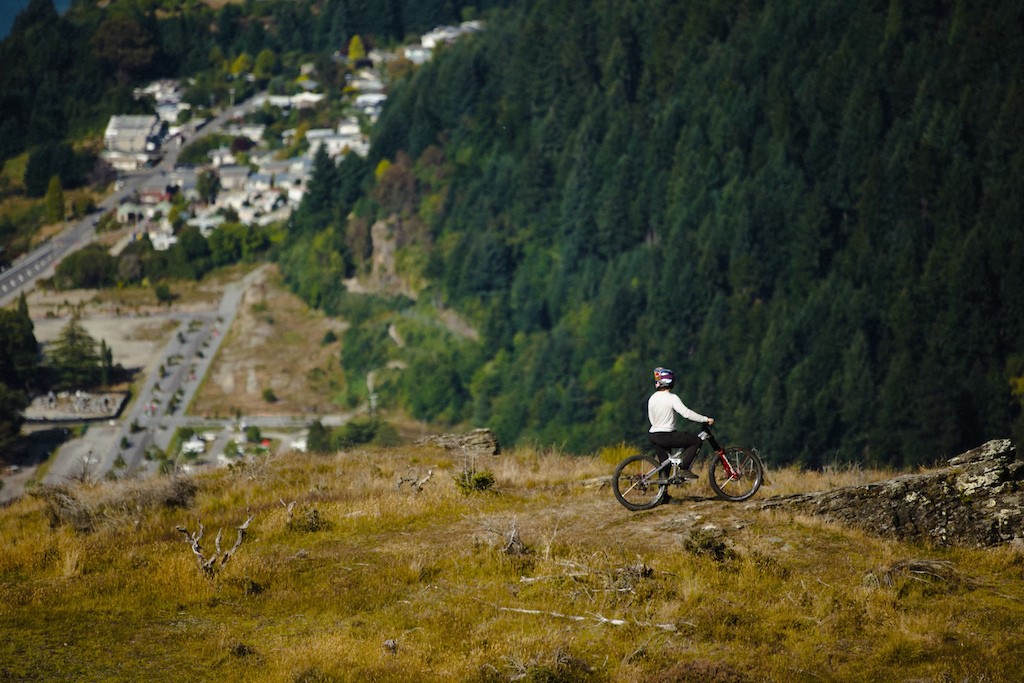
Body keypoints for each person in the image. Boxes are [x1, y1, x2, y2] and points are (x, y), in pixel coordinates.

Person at [648, 366, 714, 480]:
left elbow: (651, 418)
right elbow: (686, 413)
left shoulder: (652, 398)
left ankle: (662, 490)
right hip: (667, 435)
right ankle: (684, 469)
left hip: (654, 434)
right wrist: (705, 419)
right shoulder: (672, 398)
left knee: (665, 464)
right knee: (696, 441)